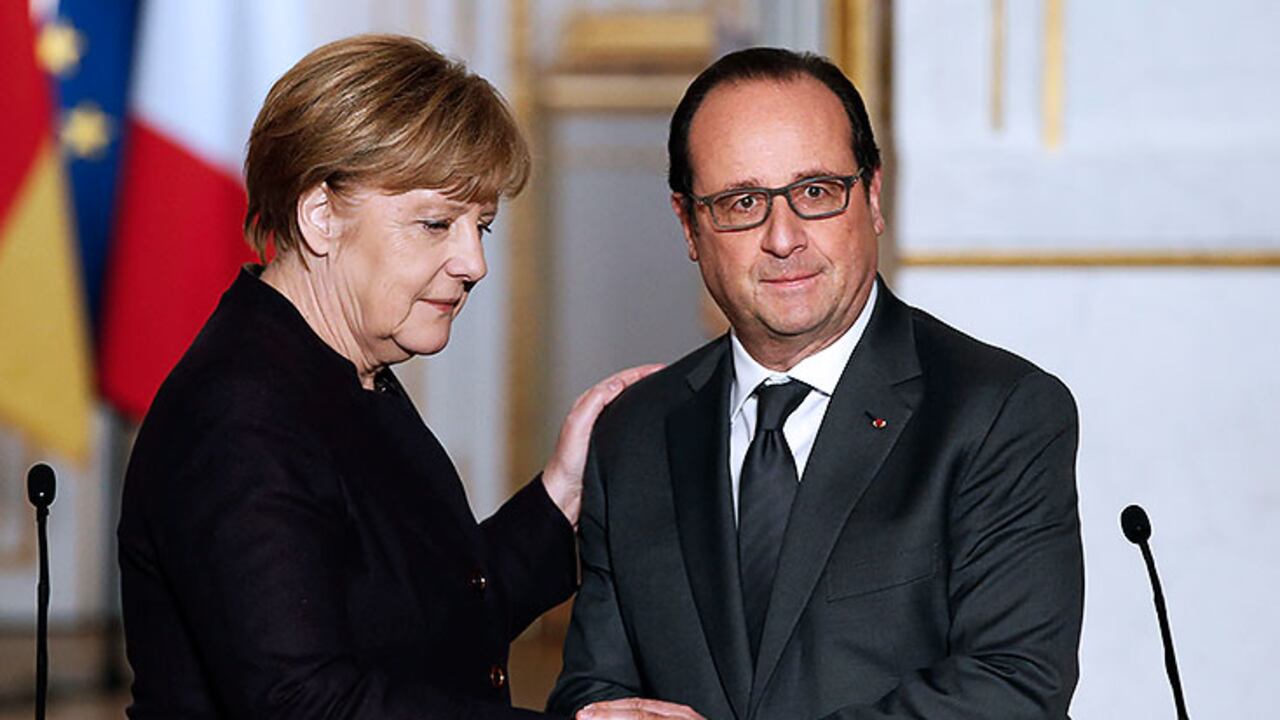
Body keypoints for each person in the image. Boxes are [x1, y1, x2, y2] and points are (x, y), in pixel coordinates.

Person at [117, 35, 657, 719]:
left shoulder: (341, 372)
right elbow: (304, 704)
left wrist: (561, 492)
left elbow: (423, 619)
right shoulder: (240, 416)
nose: (474, 263)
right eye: (435, 223)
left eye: (481, 227)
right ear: (320, 217)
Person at [549, 47, 1083, 720]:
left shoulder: (997, 413)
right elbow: (592, 692)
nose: (784, 237)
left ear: (874, 196)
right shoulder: (636, 433)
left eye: (816, 192)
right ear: (688, 224)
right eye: (743, 202)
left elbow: (1012, 689)